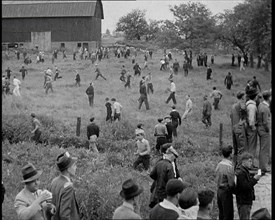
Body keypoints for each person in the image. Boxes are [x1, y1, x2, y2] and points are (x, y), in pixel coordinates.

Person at [49, 152, 80, 220]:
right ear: (68, 169)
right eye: (74, 165)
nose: (76, 167)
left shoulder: (54, 181)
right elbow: (64, 215)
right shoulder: (68, 187)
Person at [149, 144, 180, 208]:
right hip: (166, 189)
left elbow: (152, 174)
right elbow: (171, 180)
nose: (173, 158)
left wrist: (178, 177)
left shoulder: (160, 163)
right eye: (173, 156)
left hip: (161, 187)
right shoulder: (166, 164)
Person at [235, 152, 261, 220]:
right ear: (244, 161)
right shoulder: (241, 173)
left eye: (251, 161)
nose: (251, 163)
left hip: (246, 200)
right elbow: (245, 187)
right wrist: (255, 179)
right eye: (249, 161)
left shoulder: (244, 170)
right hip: (243, 201)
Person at [215, 145, 235, 220]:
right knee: (228, 214)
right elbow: (231, 183)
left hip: (219, 191)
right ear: (230, 154)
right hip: (226, 192)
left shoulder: (219, 164)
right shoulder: (229, 166)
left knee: (221, 213)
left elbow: (216, 178)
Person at [230, 91, 247, 168]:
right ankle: (240, 167)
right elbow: (244, 114)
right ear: (243, 97)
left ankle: (234, 165)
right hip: (239, 127)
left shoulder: (233, 105)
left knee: (235, 149)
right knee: (241, 148)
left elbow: (231, 116)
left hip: (233, 127)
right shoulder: (241, 104)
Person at [257, 90, 271, 173]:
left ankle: (262, 166)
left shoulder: (261, 105)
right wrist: (268, 130)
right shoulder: (265, 108)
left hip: (260, 128)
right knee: (265, 149)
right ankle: (263, 167)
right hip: (264, 130)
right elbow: (265, 122)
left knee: (263, 148)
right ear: (269, 98)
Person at [245, 87, 259, 167]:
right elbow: (251, 120)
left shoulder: (248, 104)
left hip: (248, 128)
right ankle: (250, 164)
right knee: (251, 146)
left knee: (250, 145)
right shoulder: (252, 106)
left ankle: (249, 163)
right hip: (251, 128)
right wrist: (253, 128)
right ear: (255, 96)